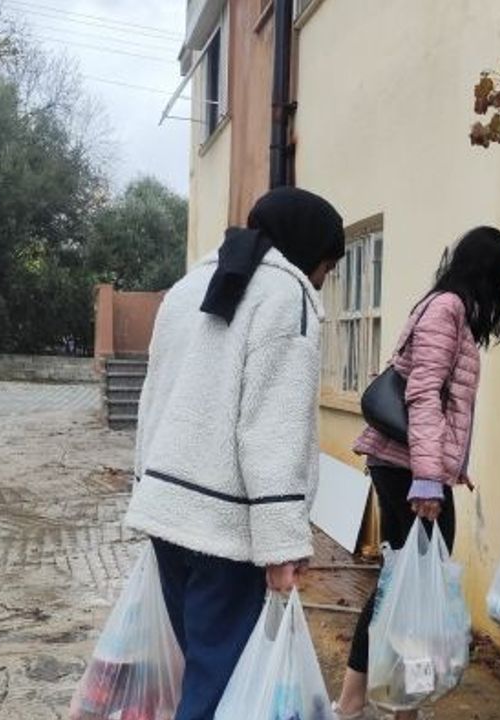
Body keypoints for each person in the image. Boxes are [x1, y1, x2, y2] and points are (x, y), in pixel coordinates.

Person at [123, 187, 345, 720]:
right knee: (218, 688)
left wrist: (145, 490)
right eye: (328, 264)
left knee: (198, 672)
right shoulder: (285, 296)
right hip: (226, 531)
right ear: (309, 249)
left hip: (168, 517)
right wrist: (282, 546)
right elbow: (274, 426)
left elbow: (153, 398)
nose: (325, 277)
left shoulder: (187, 288)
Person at [332, 226, 500, 719]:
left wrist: (444, 468)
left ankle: (386, 704)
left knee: (406, 584)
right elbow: (422, 394)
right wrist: (427, 477)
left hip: (411, 465)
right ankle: (365, 704)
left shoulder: (449, 309)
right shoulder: (447, 309)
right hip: (409, 469)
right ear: (486, 275)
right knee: (409, 584)